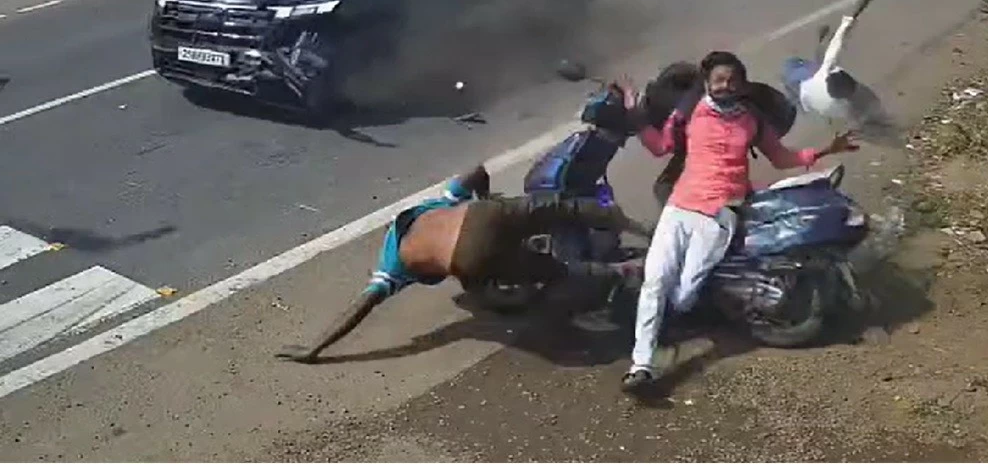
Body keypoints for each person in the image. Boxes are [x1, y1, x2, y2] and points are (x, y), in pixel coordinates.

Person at [616, 52, 858, 394]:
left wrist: (825, 151)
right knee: (656, 281)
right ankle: (641, 366)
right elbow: (660, 147)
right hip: (680, 207)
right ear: (707, 83)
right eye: (718, 79)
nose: (725, 85)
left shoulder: (752, 121)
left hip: (720, 213)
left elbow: (781, 157)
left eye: (732, 79)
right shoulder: (687, 114)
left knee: (684, 296)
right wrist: (633, 110)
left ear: (742, 84)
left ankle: (675, 323)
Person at [274, 164, 644, 364]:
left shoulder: (394, 264)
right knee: (566, 208)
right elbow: (475, 171)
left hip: (470, 255)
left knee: (552, 271)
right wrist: (486, 198)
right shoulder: (431, 207)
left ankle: (625, 274)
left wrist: (314, 349)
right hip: (486, 213)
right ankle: (632, 225)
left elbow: (361, 306)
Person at [782, 0, 883, 128]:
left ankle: (788, 86)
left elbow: (835, 45)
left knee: (794, 65)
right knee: (805, 73)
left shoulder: (823, 76)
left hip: (802, 83)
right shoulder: (840, 107)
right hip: (807, 93)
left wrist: (854, 14)